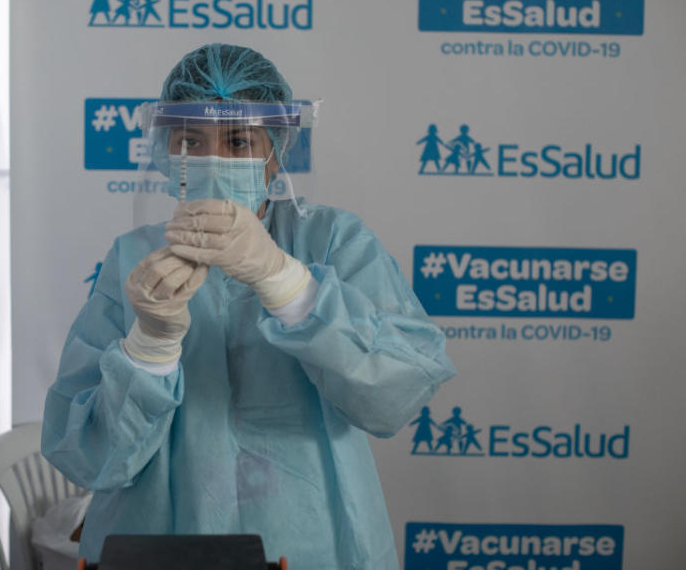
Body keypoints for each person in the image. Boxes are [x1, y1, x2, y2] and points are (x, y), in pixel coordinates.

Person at [42, 43, 455, 569]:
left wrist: (286, 282)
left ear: (277, 149)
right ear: (168, 149)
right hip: (157, 547)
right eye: (191, 139)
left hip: (311, 543)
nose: (213, 157)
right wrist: (150, 346)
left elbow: (396, 393)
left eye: (238, 141)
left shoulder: (333, 242)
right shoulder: (135, 259)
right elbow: (89, 457)